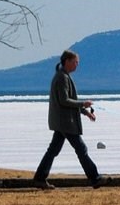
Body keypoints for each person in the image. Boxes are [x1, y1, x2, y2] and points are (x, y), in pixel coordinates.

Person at [33, 50, 111, 189]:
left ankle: (39, 178)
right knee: (81, 149)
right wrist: (82, 104)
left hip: (62, 121)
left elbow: (69, 101)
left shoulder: (64, 76)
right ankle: (95, 178)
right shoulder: (62, 77)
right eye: (75, 62)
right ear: (67, 61)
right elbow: (64, 100)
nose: (77, 65)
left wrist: (85, 112)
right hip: (65, 122)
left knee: (53, 151)